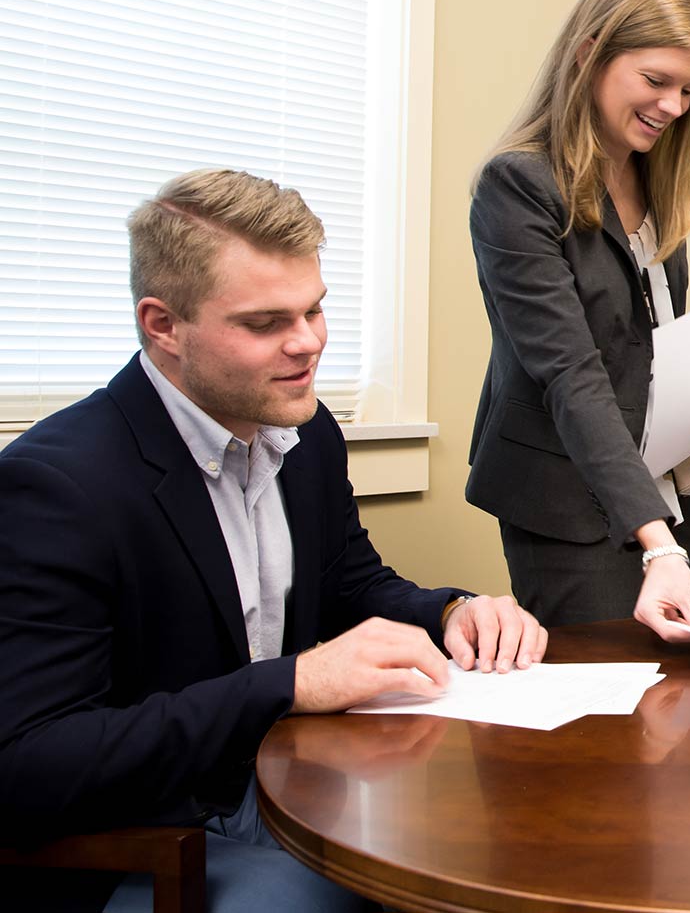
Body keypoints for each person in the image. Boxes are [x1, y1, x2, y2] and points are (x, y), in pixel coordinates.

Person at [0, 169, 549, 913]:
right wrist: (291, 683)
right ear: (162, 325)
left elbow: (350, 583)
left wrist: (451, 612)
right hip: (151, 835)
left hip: (292, 784)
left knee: (492, 851)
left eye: (315, 310)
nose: (308, 344)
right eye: (265, 324)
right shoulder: (58, 486)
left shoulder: (304, 428)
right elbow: (33, 762)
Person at [468, 0, 690, 631]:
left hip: (665, 490)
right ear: (590, 54)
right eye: (657, 81)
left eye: (689, 90)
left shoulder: (655, 183)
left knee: (687, 689)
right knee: (609, 710)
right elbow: (571, 372)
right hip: (569, 499)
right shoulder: (518, 187)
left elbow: (643, 351)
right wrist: (656, 541)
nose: (674, 106)